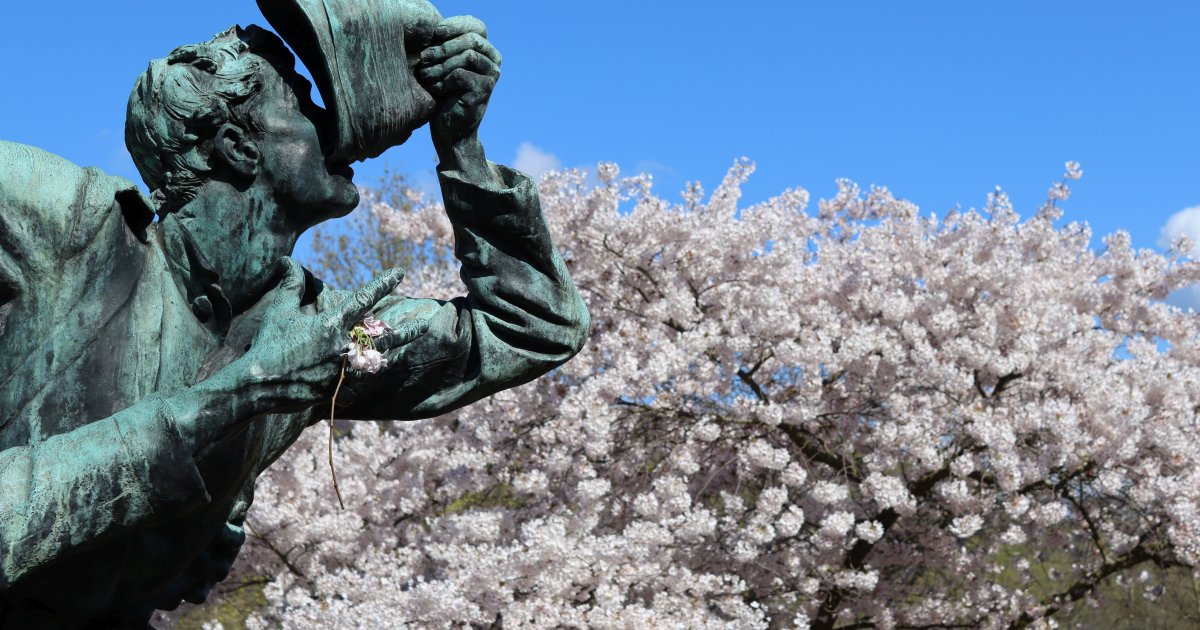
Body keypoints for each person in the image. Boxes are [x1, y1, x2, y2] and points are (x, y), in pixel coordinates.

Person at [0, 19, 588, 629]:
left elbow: (536, 324)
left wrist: (461, 146)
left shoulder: (318, 333)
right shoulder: (71, 228)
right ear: (238, 144)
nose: (338, 131)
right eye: (308, 107)